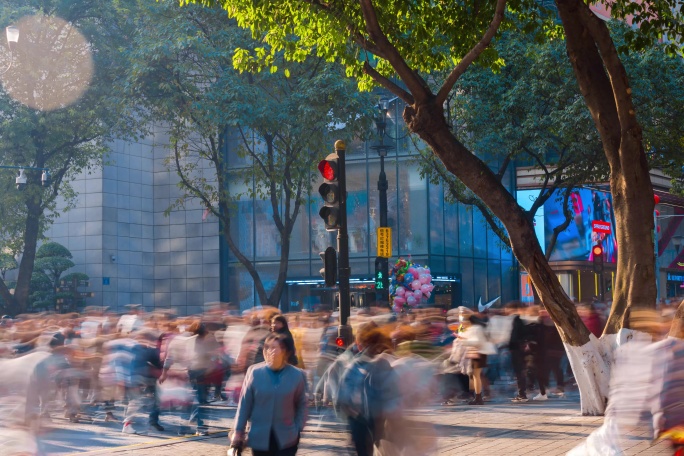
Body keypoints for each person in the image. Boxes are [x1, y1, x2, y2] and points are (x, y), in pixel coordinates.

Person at [230, 333, 307, 456]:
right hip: (259, 437)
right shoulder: (254, 372)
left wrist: (298, 429)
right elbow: (245, 404)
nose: (270, 351)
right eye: (267, 347)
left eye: (275, 347)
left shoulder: (297, 375)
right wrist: (238, 432)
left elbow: (302, 404)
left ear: (285, 351)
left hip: (287, 437)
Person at [458, 315, 496, 405]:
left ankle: (478, 397)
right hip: (475, 353)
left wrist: (464, 341)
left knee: (476, 376)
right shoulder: (474, 328)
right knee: (475, 376)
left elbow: (478, 342)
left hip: (479, 353)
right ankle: (477, 396)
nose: (463, 324)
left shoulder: (476, 328)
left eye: (464, 322)